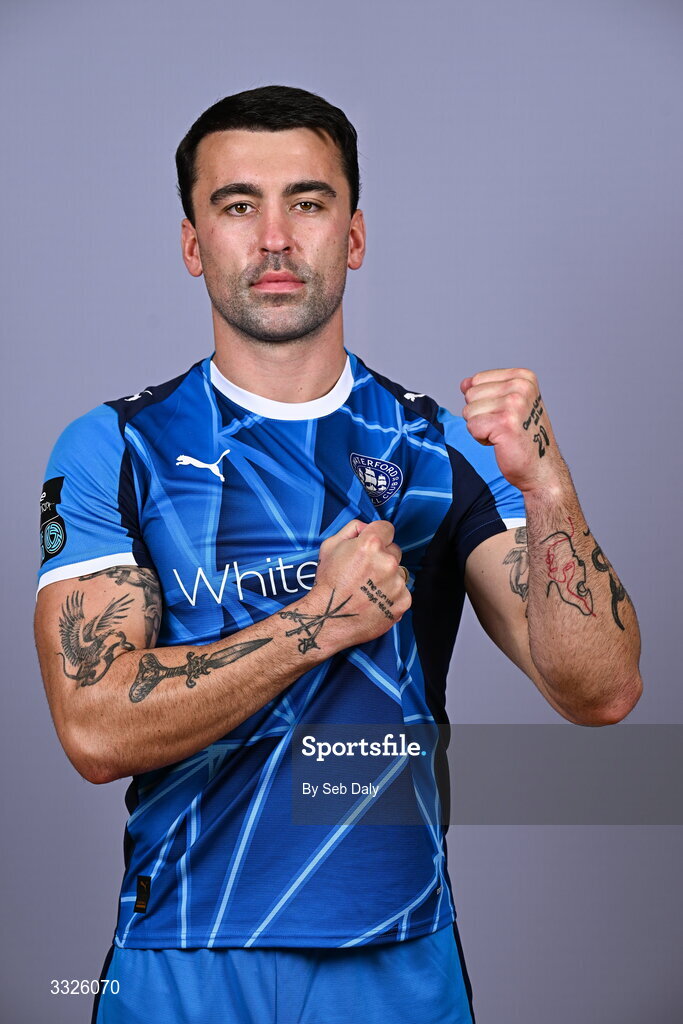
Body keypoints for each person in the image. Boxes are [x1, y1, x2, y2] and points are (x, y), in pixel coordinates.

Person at [34, 85, 643, 1024]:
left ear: (352, 236)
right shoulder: (113, 449)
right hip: (180, 953)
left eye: (307, 203)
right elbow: (94, 732)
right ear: (193, 242)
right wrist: (317, 624)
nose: (274, 238)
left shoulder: (444, 450)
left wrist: (547, 486)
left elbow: (597, 690)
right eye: (238, 205)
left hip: (395, 947)